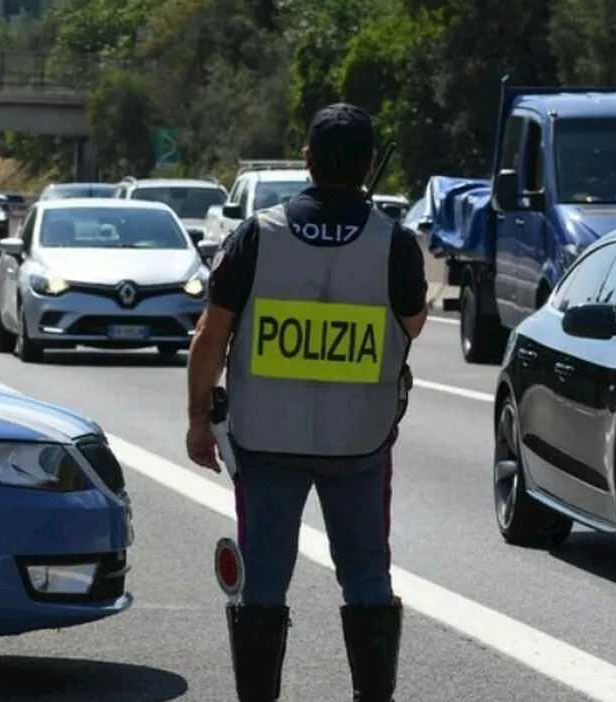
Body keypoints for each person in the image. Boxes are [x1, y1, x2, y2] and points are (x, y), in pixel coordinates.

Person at [185, 103, 428, 702]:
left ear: (307, 161)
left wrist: (197, 418)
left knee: (263, 582)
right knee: (367, 577)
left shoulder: (257, 235)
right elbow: (415, 325)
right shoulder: (394, 243)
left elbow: (210, 338)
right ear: (370, 163)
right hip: (360, 441)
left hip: (265, 439)